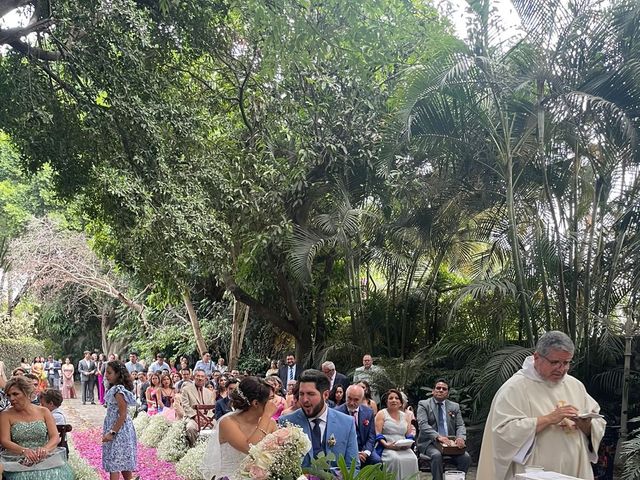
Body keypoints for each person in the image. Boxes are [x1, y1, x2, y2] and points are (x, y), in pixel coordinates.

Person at [477, 331, 606, 479]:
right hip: (534, 472)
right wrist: (549, 419)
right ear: (537, 357)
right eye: (555, 362)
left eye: (566, 362)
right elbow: (502, 432)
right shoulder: (515, 387)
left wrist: (587, 426)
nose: (561, 368)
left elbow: (598, 423)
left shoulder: (575, 385)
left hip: (574, 469)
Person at [279, 369, 359, 469]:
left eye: (310, 394)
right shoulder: (287, 422)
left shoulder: (347, 423)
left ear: (325, 395)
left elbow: (353, 467)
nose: (304, 400)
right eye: (301, 394)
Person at [200, 376, 278, 480]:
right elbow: (250, 449)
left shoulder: (271, 423)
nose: (274, 402)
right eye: (271, 399)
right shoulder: (228, 423)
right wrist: (267, 416)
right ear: (255, 403)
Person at [0, 376, 74, 479]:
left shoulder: (44, 411)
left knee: (55, 475)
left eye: (15, 394)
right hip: (18, 460)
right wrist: (24, 451)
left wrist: (45, 449)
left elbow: (55, 437)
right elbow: (4, 441)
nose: (11, 398)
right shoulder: (5, 415)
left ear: (27, 393)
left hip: (45, 458)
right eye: (9, 395)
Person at [416, 379, 471, 480]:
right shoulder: (424, 404)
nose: (441, 390)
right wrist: (438, 437)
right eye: (438, 388)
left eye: (444, 389)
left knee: (466, 458)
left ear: (448, 393)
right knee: (437, 456)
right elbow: (423, 425)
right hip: (430, 443)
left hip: (450, 443)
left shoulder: (454, 406)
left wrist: (460, 438)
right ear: (433, 391)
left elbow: (460, 425)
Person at [101, 360, 137, 480]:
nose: (106, 375)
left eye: (109, 373)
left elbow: (122, 414)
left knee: (114, 463)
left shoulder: (118, 391)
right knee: (121, 461)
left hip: (119, 430)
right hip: (116, 428)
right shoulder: (114, 389)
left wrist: (112, 433)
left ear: (118, 374)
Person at [375, 389, 418, 480]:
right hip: (387, 446)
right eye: (391, 398)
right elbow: (377, 433)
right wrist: (387, 445)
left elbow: (409, 434)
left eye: (397, 398)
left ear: (401, 403)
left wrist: (409, 443)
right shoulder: (381, 414)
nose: (394, 400)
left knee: (413, 458)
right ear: (386, 402)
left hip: (404, 446)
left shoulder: (406, 416)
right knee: (395, 459)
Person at [335, 384, 380, 466]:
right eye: (349, 399)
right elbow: (337, 438)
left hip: (364, 448)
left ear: (362, 399)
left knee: (377, 461)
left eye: (356, 400)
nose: (352, 403)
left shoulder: (368, 412)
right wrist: (355, 453)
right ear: (345, 396)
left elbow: (371, 436)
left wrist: (366, 452)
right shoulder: (337, 412)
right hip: (345, 449)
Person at [182, 369, 217, 445]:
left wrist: (208, 418)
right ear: (194, 377)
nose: (200, 378)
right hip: (192, 417)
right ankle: (195, 447)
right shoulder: (186, 390)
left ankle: (211, 447)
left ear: (205, 378)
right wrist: (195, 417)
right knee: (190, 428)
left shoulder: (209, 392)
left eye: (202, 376)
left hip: (207, 418)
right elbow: (185, 406)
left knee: (218, 425)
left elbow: (211, 408)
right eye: (198, 376)